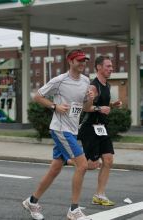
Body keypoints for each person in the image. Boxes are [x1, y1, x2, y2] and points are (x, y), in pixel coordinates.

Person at [22, 49, 94, 220]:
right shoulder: (60, 80)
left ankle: (31, 202)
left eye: (84, 61)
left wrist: (90, 98)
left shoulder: (85, 80)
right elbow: (38, 96)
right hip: (61, 129)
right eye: (79, 61)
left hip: (72, 129)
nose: (82, 63)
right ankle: (74, 210)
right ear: (70, 61)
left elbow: (84, 107)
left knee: (55, 169)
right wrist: (55, 106)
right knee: (82, 165)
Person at [78, 55, 122, 206]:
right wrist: (99, 108)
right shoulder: (93, 87)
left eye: (111, 66)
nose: (111, 69)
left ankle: (99, 195)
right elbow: (85, 107)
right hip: (90, 128)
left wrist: (111, 104)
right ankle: (66, 160)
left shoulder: (107, 85)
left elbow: (101, 103)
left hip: (102, 127)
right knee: (92, 165)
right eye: (108, 66)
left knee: (108, 160)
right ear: (98, 67)